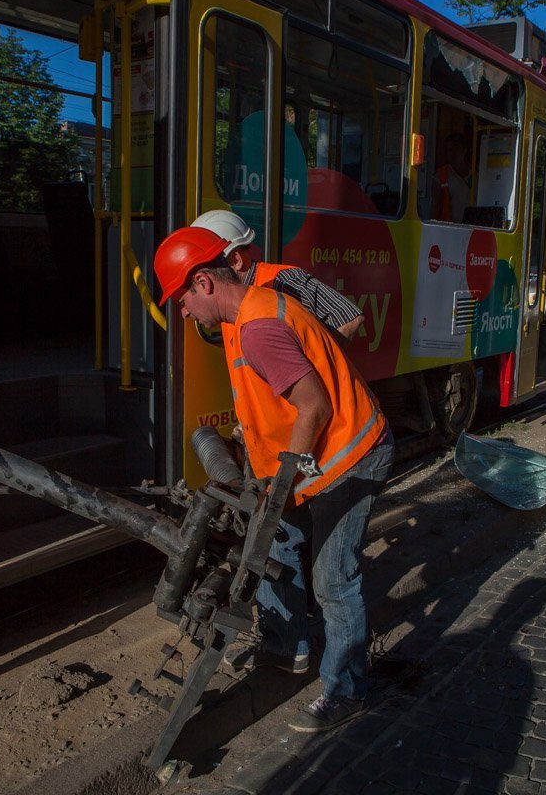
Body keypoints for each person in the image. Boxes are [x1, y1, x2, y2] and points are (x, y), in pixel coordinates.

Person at [153, 226, 394, 732]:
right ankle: (288, 650)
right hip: (320, 461)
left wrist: (281, 486)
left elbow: (314, 406)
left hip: (350, 457)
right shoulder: (249, 312)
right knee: (280, 548)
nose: (183, 312)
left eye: (181, 299)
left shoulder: (257, 326)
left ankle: (347, 691)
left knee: (333, 580)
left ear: (204, 283)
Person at [191, 210, 364, 342]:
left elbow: (349, 317)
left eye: (209, 270)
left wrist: (312, 370)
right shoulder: (228, 302)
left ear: (236, 260)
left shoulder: (283, 281)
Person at [433, 132, 471, 223]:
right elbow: (435, 206)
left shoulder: (476, 173)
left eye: (456, 149)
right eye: (450, 150)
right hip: (449, 227)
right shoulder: (440, 175)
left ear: (464, 150)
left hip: (471, 227)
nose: (452, 153)